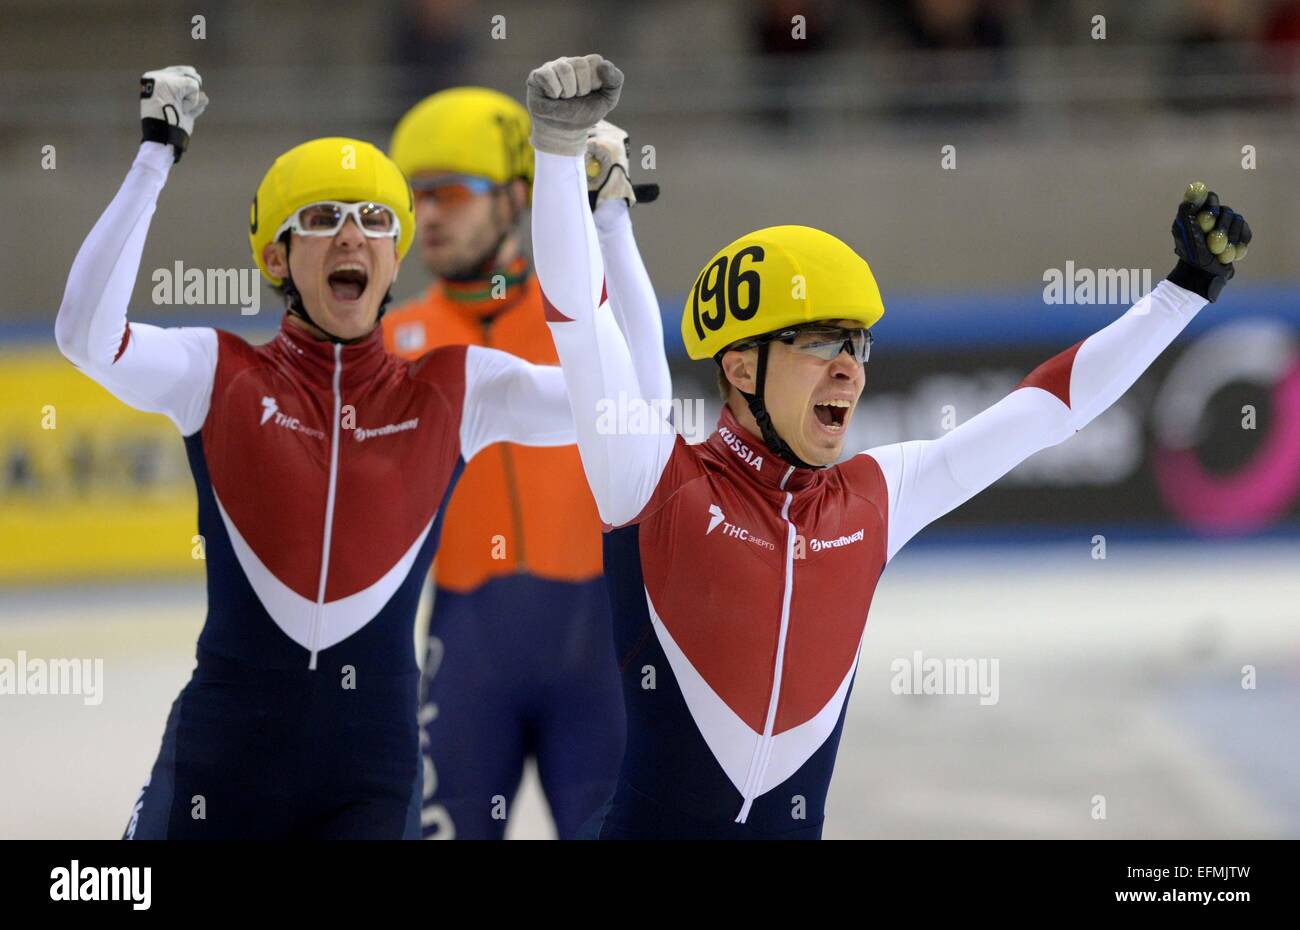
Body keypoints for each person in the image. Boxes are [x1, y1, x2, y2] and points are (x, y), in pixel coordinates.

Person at [525, 54, 1254, 839]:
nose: (847, 365)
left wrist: (1181, 292)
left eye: (858, 345)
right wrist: (556, 152)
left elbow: (1048, 408)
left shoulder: (876, 495)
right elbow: (579, 317)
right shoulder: (654, 481)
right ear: (739, 366)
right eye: (818, 342)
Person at [53, 66, 658, 839]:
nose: (351, 235)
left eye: (375, 219)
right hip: (220, 766)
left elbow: (629, 402)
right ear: (275, 259)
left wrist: (606, 217)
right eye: (323, 217)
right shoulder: (218, 374)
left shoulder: (452, 388)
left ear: (394, 256)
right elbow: (84, 337)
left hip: (369, 778)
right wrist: (154, 158)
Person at [382, 88, 666, 838]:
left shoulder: (583, 321)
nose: (428, 216)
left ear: (515, 198)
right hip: (467, 652)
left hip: (599, 652)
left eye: (448, 192)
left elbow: (650, 393)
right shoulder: (390, 342)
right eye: (413, 198)